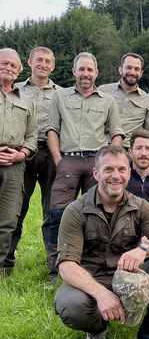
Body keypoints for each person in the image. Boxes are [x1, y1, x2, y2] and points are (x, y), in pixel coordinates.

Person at [54, 144, 149, 339]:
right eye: (108, 170)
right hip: (92, 279)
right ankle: (96, 331)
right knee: (71, 305)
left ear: (129, 172)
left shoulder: (140, 206)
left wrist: (144, 250)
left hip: (129, 275)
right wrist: (101, 294)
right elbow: (66, 266)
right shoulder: (75, 211)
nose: (116, 176)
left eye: (122, 169)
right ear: (96, 174)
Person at [46, 52, 124, 280]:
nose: (86, 74)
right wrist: (59, 160)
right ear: (74, 71)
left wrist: (110, 162)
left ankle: (93, 261)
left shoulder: (108, 101)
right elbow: (52, 129)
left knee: (98, 212)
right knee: (59, 212)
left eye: (90, 70)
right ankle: (56, 265)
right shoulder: (59, 97)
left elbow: (116, 133)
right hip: (68, 159)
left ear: (96, 73)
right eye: (81, 69)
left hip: (96, 162)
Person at [5, 47, 61, 272]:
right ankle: (6, 262)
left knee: (52, 210)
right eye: (39, 60)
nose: (43, 64)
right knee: (16, 209)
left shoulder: (62, 93)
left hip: (51, 153)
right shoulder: (15, 90)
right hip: (22, 154)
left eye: (48, 61)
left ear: (53, 66)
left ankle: (54, 265)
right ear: (29, 62)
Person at [0, 48, 38, 275]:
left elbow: (32, 135)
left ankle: (1, 268)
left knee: (7, 219)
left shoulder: (27, 101)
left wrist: (21, 154)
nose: (8, 68)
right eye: (4, 63)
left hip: (15, 164)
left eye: (14, 66)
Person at [98, 52, 149, 148]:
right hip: (103, 148)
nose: (132, 72)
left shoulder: (147, 100)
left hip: (131, 152)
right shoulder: (103, 91)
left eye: (136, 69)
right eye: (128, 67)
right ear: (120, 69)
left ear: (141, 73)